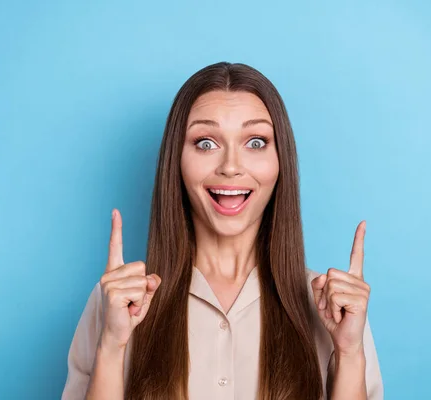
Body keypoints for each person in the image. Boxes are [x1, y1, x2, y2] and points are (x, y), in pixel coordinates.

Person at [61, 62, 383, 400]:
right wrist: (112, 346)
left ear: (280, 161)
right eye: (206, 143)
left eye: (256, 142)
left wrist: (348, 354)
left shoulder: (335, 310)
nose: (230, 166)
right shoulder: (116, 302)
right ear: (177, 161)